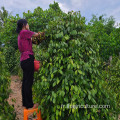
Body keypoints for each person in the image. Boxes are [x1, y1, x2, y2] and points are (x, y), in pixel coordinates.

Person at [16, 19, 43, 109]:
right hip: (28, 58)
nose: (28, 25)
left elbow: (31, 40)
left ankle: (25, 103)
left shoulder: (20, 35)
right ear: (24, 25)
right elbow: (36, 35)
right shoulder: (24, 32)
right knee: (29, 82)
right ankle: (30, 104)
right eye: (27, 24)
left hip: (23, 60)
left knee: (25, 82)